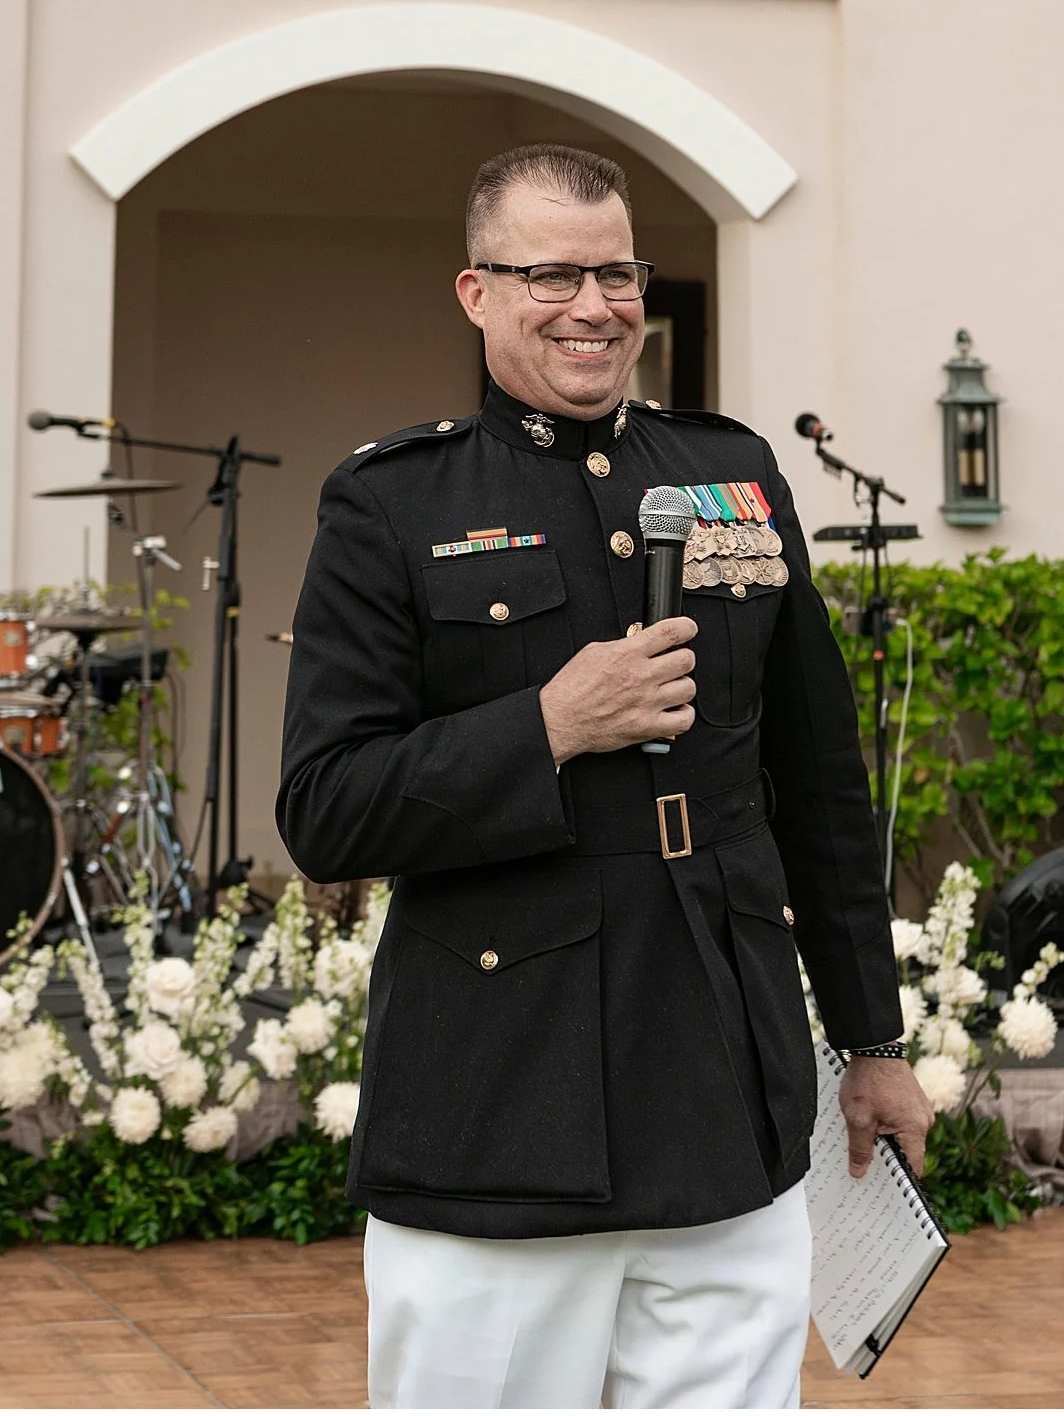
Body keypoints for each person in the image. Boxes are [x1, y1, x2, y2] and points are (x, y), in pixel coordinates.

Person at [277, 145, 933, 1408]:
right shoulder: (391, 504)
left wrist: (871, 1040)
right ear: (476, 293)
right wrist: (546, 725)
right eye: (551, 276)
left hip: (723, 1097)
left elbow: (817, 786)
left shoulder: (730, 473)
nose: (592, 305)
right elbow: (326, 806)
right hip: (501, 1114)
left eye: (616, 273)